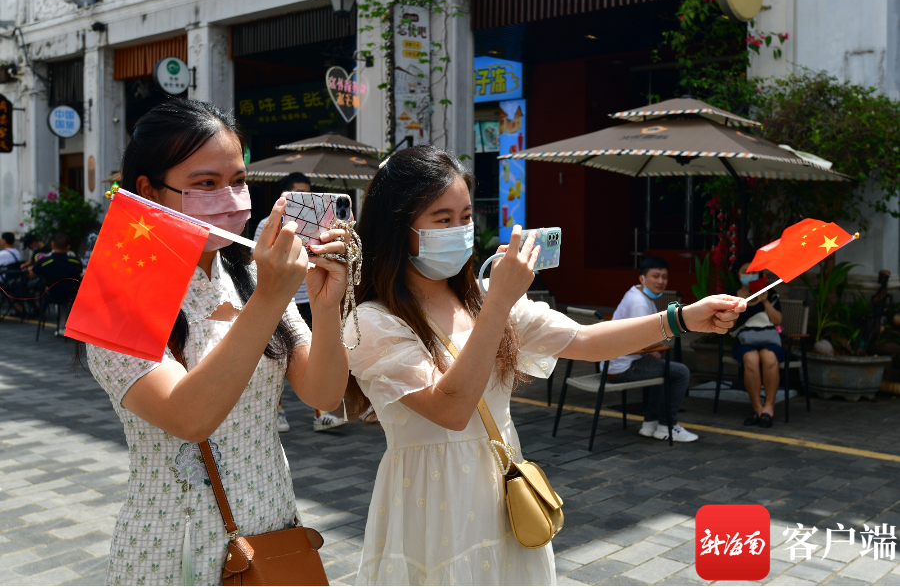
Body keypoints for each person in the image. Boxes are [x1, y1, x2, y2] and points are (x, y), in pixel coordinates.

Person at [342, 145, 746, 586]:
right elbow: (451, 409)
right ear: (397, 228)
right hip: (428, 501)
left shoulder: (481, 299)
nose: (459, 231)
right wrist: (498, 302)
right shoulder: (374, 321)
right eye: (443, 219)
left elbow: (586, 340)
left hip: (503, 493)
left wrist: (684, 317)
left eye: (465, 217)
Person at [82, 99, 351, 586]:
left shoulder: (249, 271)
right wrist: (271, 296)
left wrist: (326, 303)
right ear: (148, 189)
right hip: (175, 542)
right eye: (206, 183)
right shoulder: (116, 289)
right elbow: (190, 416)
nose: (231, 198)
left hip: (271, 529)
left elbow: (324, 394)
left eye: (239, 180)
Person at [252, 172, 348, 433]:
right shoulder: (267, 224)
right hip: (282, 299)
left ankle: (321, 413)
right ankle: (278, 410)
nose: (305, 202)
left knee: (314, 352)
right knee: (274, 353)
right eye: (296, 197)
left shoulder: (323, 226)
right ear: (282, 198)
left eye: (309, 195)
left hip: (309, 301)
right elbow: (259, 260)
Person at [607, 256, 698, 442]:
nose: (660, 281)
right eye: (655, 276)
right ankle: (667, 426)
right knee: (680, 373)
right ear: (642, 278)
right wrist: (661, 344)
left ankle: (651, 424)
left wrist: (655, 348)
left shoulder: (638, 294)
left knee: (661, 366)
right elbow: (643, 342)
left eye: (664, 277)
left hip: (620, 360)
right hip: (623, 367)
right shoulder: (639, 302)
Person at [732, 257, 783, 428]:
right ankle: (757, 408)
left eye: (754, 272)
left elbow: (777, 320)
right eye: (745, 272)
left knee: (769, 357)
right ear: (737, 274)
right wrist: (740, 305)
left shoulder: (770, 292)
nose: (750, 275)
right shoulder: (731, 296)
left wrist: (765, 300)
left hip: (769, 339)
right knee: (751, 359)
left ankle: (769, 407)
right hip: (745, 340)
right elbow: (729, 327)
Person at [29, 232, 83, 336]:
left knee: (58, 294)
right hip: (71, 295)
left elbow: (32, 274)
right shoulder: (75, 261)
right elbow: (80, 272)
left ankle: (63, 327)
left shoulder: (44, 261)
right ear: (68, 247)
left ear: (52, 244)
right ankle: (68, 326)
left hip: (51, 294)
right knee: (68, 296)